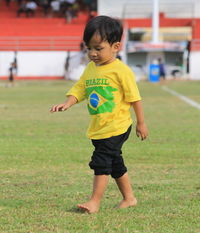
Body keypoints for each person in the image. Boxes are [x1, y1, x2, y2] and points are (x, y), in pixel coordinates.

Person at [50, 16, 148, 214]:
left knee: (101, 162)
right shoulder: (90, 69)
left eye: (98, 48)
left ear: (116, 46)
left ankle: (94, 201)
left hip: (116, 126)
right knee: (115, 162)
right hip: (99, 127)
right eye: (89, 48)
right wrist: (68, 103)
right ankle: (129, 198)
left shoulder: (121, 71)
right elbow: (81, 89)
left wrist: (141, 123)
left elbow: (135, 98)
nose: (93, 53)